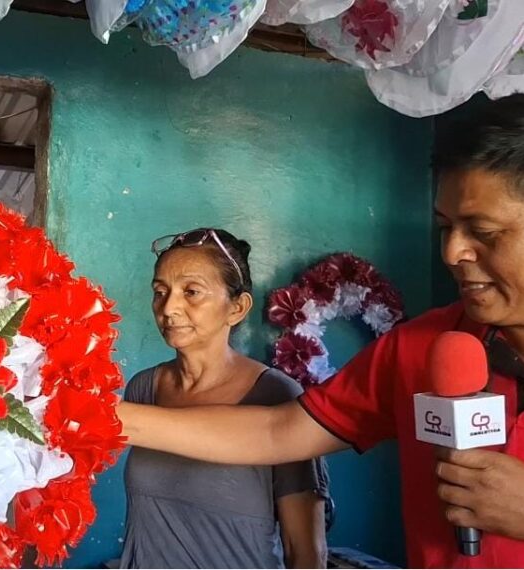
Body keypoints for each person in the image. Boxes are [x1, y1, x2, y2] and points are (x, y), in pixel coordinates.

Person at [117, 94, 524, 568]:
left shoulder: (269, 384)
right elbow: (277, 432)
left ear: (237, 307)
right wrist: (84, 415)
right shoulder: (418, 347)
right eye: (445, 228)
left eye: (485, 232)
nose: (453, 252)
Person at [120, 227, 328, 569]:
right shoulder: (144, 389)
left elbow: (305, 550)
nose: (169, 307)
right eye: (160, 291)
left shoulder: (277, 396)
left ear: (237, 308)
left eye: (192, 292)